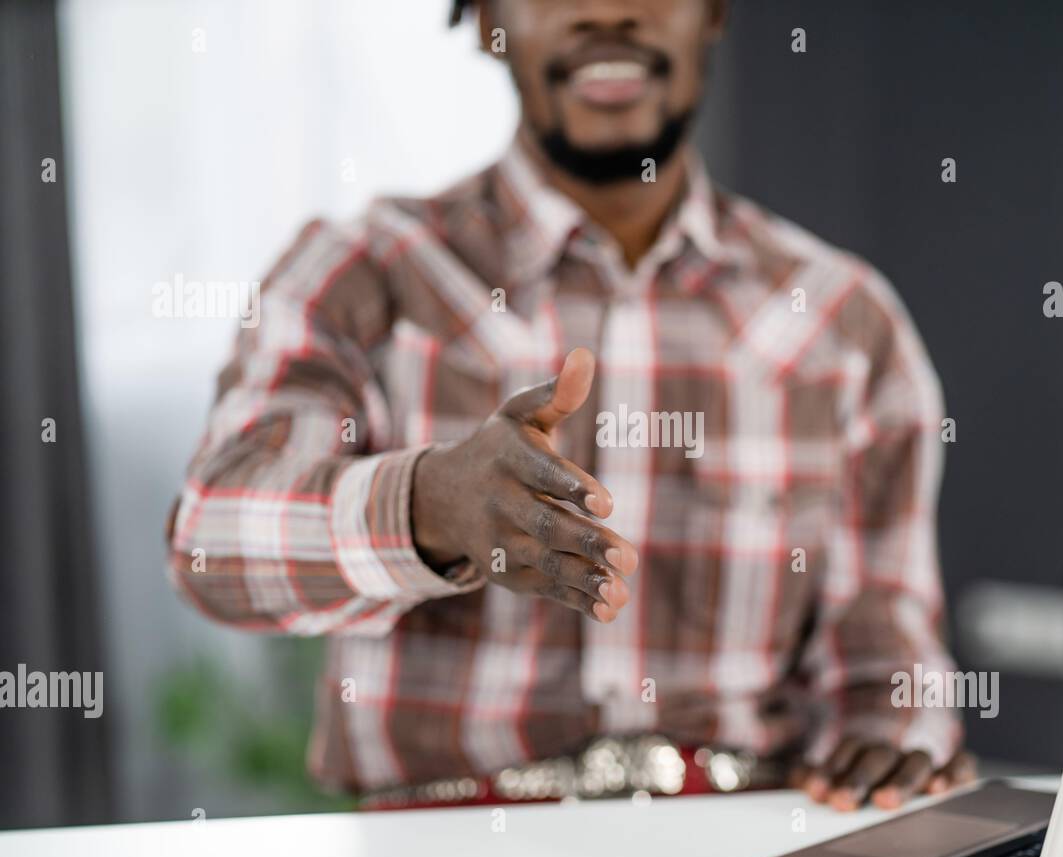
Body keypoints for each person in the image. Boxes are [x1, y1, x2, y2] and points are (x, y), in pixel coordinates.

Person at [167, 0, 976, 812]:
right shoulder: (362, 273)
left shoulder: (843, 320)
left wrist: (899, 743)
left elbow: (886, 667)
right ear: (487, 21)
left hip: (749, 833)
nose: (607, 11)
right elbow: (210, 542)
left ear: (714, 14)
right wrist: (428, 506)